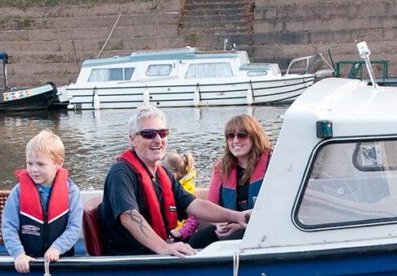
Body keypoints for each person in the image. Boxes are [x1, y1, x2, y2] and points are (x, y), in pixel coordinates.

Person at [98, 105, 249, 256]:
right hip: (134, 260)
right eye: (148, 134)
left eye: (162, 133)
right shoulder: (120, 173)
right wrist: (164, 247)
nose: (157, 140)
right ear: (132, 139)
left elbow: (194, 205)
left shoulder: (162, 173)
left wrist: (237, 216)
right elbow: (128, 216)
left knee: (203, 241)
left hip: (156, 253)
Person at [1, 129, 83, 273]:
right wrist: (18, 254)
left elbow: (74, 228)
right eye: (30, 163)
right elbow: (8, 226)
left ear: (58, 163)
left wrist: (57, 248)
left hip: (61, 260)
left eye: (40, 164)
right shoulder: (18, 191)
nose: (34, 169)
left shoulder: (71, 191)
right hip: (27, 260)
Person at [188, 114, 273, 249]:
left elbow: (276, 206)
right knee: (198, 240)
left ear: (254, 137)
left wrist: (240, 225)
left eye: (242, 135)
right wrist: (218, 224)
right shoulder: (221, 168)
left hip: (264, 226)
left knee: (226, 244)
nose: (235, 140)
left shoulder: (272, 163)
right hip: (230, 224)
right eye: (230, 136)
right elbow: (212, 204)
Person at [163, 151, 200, 242]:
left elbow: (194, 219)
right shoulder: (164, 188)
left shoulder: (187, 192)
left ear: (173, 175)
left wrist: (180, 233)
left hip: (182, 236)